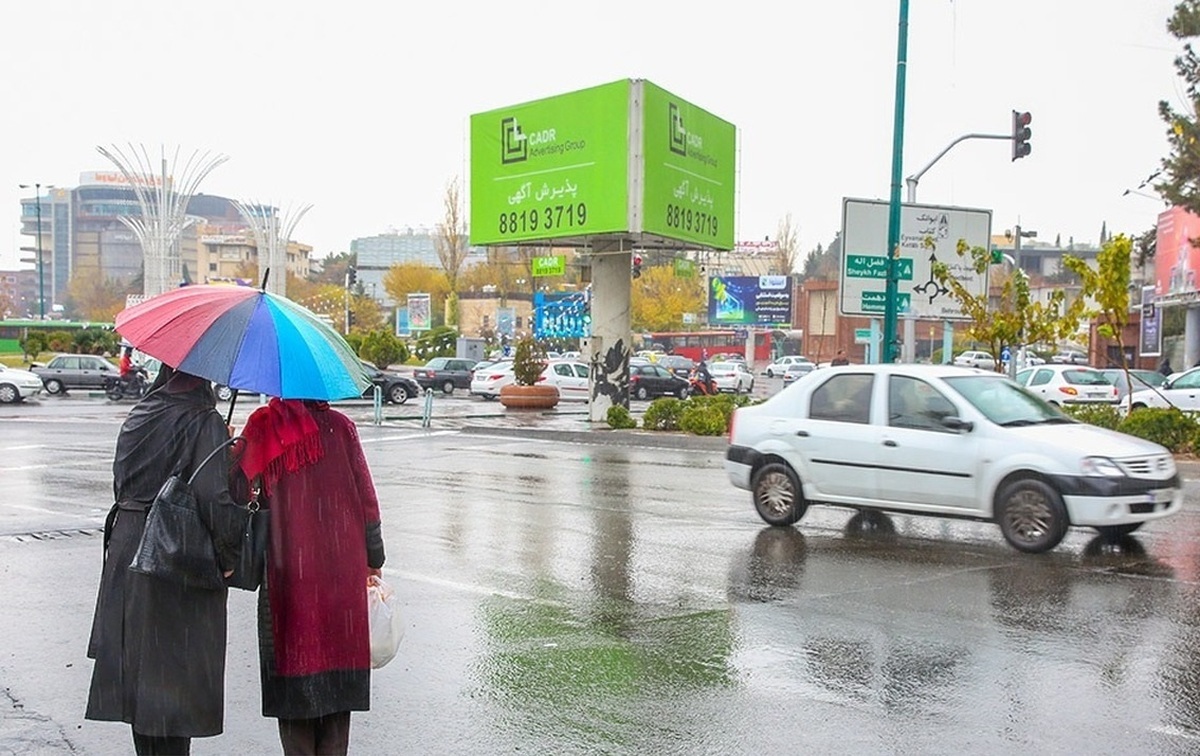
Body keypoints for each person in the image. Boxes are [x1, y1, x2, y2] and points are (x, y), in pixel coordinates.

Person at [86, 365, 245, 755]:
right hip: (176, 551)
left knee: (141, 676)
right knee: (176, 681)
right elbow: (214, 499)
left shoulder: (141, 412)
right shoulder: (202, 421)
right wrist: (228, 555)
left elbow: (123, 479)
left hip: (127, 547)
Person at [233, 398, 386, 756]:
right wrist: (374, 557)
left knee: (294, 684)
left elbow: (239, 491)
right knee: (337, 691)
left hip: (288, 574)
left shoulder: (263, 427)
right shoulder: (341, 428)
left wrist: (232, 450)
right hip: (341, 574)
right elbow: (367, 499)